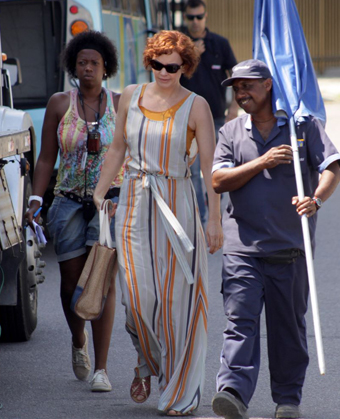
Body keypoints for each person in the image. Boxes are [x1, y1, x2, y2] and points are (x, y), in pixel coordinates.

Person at [92, 30, 223, 416]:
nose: (164, 71)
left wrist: (214, 219)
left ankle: (178, 388)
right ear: (149, 61)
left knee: (176, 301)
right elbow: (117, 147)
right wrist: (101, 194)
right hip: (133, 201)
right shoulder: (130, 96)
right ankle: (148, 361)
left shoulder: (196, 106)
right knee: (136, 300)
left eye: (173, 66)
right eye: (158, 63)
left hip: (177, 206)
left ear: (185, 67)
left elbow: (209, 166)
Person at [209, 59, 340, 419]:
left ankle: (287, 400)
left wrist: (315, 199)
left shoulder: (303, 127)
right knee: (240, 322)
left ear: (269, 85)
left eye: (248, 85)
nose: (240, 92)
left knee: (287, 330)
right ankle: (233, 392)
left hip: (290, 249)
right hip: (243, 249)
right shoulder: (231, 131)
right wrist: (262, 162)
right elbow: (219, 181)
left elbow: (332, 167)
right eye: (236, 87)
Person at [24, 30, 122, 393]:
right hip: (66, 202)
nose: (88, 69)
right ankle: (78, 338)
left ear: (106, 67)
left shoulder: (119, 102)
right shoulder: (59, 104)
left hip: (108, 204)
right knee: (70, 287)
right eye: (82, 63)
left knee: (102, 283)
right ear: (73, 66)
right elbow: (47, 157)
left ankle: (102, 368)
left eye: (94, 63)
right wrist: (36, 199)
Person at [180, 0, 238, 224]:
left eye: (199, 17)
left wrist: (234, 108)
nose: (195, 22)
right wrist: (191, 53)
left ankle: (212, 205)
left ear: (206, 17)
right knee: (193, 170)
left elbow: (235, 75)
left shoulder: (219, 43)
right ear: (185, 19)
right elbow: (169, 74)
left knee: (216, 167)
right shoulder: (179, 44)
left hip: (215, 117)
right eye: (190, 18)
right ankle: (199, 218)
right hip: (185, 118)